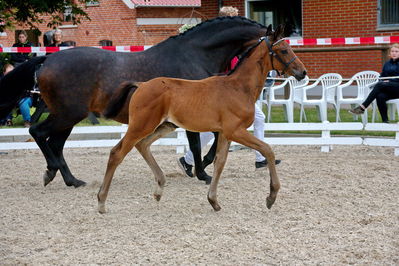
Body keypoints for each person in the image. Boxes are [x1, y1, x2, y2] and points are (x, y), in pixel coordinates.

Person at [177, 6, 280, 178]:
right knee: (214, 128)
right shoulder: (225, 45)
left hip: (233, 92)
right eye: (235, 18)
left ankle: (188, 160)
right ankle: (188, 160)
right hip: (226, 93)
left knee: (221, 127)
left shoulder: (232, 44)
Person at [350, 43, 399, 123]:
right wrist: (382, 81)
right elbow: (382, 76)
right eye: (392, 51)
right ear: (390, 53)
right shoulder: (387, 64)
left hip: (397, 87)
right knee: (380, 96)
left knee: (380, 85)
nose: (394, 53)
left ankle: (363, 107)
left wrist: (389, 81)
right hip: (389, 88)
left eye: (396, 51)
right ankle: (385, 121)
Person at [2, 63, 33, 127]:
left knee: (23, 103)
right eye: (8, 72)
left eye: (12, 72)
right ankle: (8, 120)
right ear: (4, 73)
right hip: (12, 100)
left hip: (25, 98)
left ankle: (27, 121)